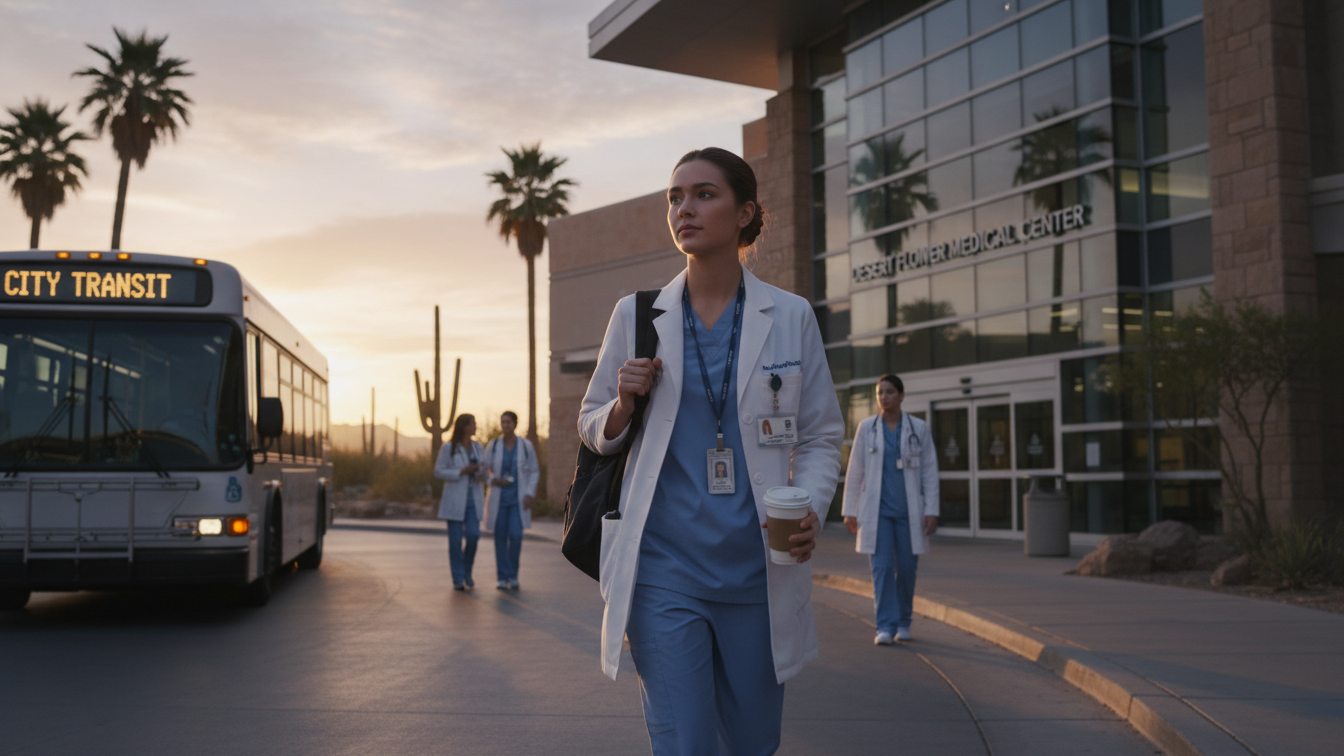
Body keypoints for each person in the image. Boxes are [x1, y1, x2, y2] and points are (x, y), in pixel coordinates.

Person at [578, 147, 844, 755]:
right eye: (675, 197)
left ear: (746, 212)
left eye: (703, 194)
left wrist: (812, 508)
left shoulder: (791, 316)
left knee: (752, 743)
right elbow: (592, 425)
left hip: (759, 570)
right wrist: (623, 404)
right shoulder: (639, 316)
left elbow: (823, 434)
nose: (683, 209)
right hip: (664, 571)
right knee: (686, 743)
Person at [841, 374, 939, 645]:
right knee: (882, 569)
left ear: (901, 396)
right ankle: (885, 625)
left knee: (907, 569)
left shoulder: (918, 428)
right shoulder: (867, 427)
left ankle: (904, 621)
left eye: (890, 392)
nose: (884, 397)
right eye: (880, 392)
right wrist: (850, 510)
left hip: (909, 512)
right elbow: (855, 470)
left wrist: (931, 510)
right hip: (878, 513)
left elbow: (930, 472)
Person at [483, 410, 539, 590]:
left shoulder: (525, 446)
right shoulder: (494, 445)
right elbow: (485, 469)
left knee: (515, 536)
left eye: (508, 422)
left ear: (515, 424)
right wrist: (493, 480)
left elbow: (534, 470)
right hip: (499, 499)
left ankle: (513, 575)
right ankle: (502, 577)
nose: (505, 425)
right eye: (503, 422)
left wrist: (530, 493)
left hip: (517, 500)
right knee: (499, 538)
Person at [435, 413, 486, 591]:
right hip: (455, 499)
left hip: (474, 498)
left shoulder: (478, 448)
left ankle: (466, 571)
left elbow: (485, 470)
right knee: (455, 542)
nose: (475, 427)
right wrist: (461, 471)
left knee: (473, 536)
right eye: (472, 424)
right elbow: (439, 471)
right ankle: (458, 578)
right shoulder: (449, 448)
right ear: (464, 427)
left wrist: (481, 473)